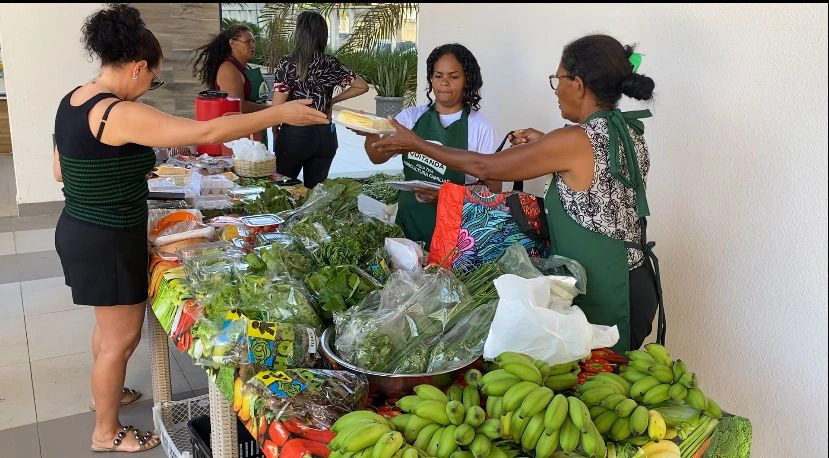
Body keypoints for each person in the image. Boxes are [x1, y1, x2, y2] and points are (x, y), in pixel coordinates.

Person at [53, 5, 327, 453]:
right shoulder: (115, 113)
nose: (149, 89)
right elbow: (210, 128)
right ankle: (106, 431)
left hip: (80, 228)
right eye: (152, 80)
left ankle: (107, 391)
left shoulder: (75, 99)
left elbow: (61, 169)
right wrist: (280, 115)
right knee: (119, 340)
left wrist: (116, 172)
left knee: (107, 331)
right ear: (138, 67)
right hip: (107, 236)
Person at [373, 34, 662, 352]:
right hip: (634, 280)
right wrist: (545, 142)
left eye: (559, 79)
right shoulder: (626, 131)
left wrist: (417, 144)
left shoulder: (574, 140)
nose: (556, 89)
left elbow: (486, 167)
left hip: (608, 290)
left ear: (578, 84)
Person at [360, 43, 501, 246]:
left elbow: (494, 190)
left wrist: (448, 196)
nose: (444, 83)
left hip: (456, 231)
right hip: (409, 222)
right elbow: (377, 157)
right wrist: (370, 134)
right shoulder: (410, 117)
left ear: (467, 80)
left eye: (453, 77)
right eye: (438, 75)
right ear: (431, 79)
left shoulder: (481, 127)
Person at [272, 10, 369, 188]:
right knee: (316, 196)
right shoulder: (331, 63)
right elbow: (362, 86)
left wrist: (275, 131)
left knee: (283, 192)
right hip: (325, 136)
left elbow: (277, 107)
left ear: (299, 34)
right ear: (322, 34)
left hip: (294, 135)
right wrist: (332, 101)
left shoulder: (287, 64)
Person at [192, 23, 271, 142]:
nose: (252, 45)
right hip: (241, 138)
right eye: (247, 42)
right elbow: (238, 105)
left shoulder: (247, 67)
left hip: (257, 132)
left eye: (253, 42)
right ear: (232, 43)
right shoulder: (228, 69)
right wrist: (271, 108)